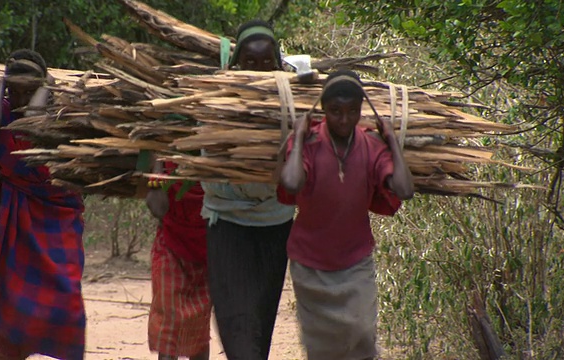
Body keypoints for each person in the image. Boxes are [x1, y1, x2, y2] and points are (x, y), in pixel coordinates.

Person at [279, 69, 414, 360]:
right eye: (335, 111)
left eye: (353, 111)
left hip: (355, 262)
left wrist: (392, 142)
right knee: (322, 349)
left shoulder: (371, 146)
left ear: (361, 110)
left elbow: (404, 189)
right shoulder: (310, 142)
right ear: (324, 110)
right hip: (310, 264)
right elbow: (291, 183)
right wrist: (299, 138)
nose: (344, 119)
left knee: (363, 337)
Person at [0, 49, 86, 360]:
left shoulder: (61, 120)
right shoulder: (1, 112)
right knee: (11, 306)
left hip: (58, 227)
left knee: (65, 299)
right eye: (15, 91)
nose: (21, 98)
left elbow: (33, 122)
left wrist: (46, 87)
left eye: (29, 90)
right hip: (18, 233)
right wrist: (2, 83)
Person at [203, 20, 295, 360]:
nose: (258, 71)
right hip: (227, 226)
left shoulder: (292, 104)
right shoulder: (214, 101)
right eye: (250, 63)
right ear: (236, 64)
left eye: (266, 63)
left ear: (278, 64)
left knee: (259, 324)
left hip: (275, 226)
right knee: (234, 326)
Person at [145, 159, 211, 360]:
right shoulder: (168, 162)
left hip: (208, 251)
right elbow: (158, 208)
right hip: (171, 245)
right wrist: (157, 166)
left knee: (199, 332)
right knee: (168, 327)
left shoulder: (215, 163)